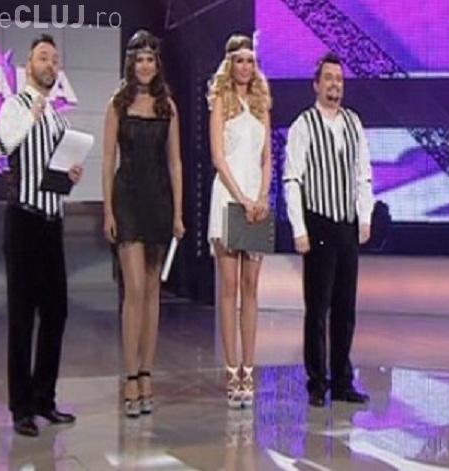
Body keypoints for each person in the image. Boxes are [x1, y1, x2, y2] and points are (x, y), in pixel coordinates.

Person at [0, 34, 82, 436]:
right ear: (29, 66)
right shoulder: (14, 106)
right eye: (43, 57)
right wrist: (30, 116)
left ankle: (45, 398)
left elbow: (54, 178)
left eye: (54, 59)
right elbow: (1, 145)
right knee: (21, 316)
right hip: (23, 221)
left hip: (51, 222)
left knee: (56, 312)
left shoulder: (60, 120)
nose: (50, 64)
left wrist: (70, 177)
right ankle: (21, 407)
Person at [283, 52, 374, 407]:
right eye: (329, 78)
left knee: (345, 308)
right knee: (318, 308)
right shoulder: (303, 125)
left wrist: (364, 217)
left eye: (339, 79)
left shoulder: (354, 122)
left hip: (347, 225)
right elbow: (293, 179)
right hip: (318, 223)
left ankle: (342, 381)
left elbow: (363, 174)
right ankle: (317, 383)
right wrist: (299, 228)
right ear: (316, 84)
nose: (335, 84)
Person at [102, 30, 185, 418]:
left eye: (151, 59)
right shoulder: (117, 105)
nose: (146, 66)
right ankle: (130, 375)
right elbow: (107, 161)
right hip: (128, 199)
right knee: (133, 289)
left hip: (158, 201)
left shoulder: (168, 107)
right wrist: (108, 211)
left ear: (157, 64)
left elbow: (175, 164)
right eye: (140, 59)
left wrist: (179, 213)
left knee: (152, 291)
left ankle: (147, 373)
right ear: (131, 63)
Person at [206, 34, 272, 408]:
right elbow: (218, 157)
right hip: (229, 199)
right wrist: (243, 198)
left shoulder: (261, 104)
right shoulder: (221, 101)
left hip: (256, 204)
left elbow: (267, 158)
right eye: (239, 60)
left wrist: (261, 197)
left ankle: (249, 368)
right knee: (229, 287)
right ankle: (231, 371)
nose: (245, 67)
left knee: (251, 288)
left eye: (250, 60)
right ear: (230, 64)